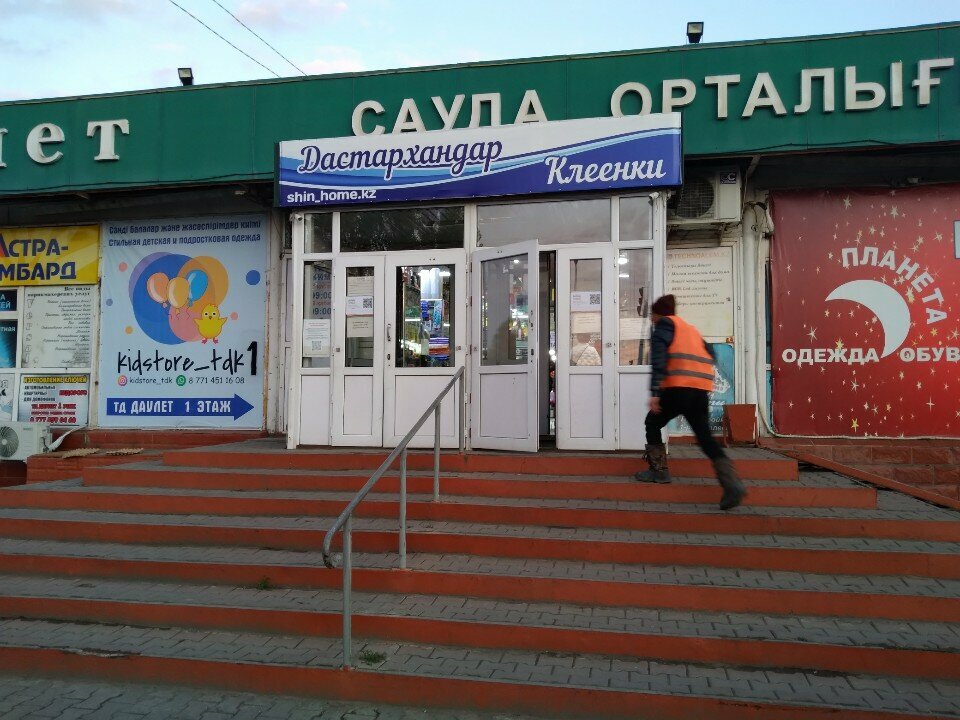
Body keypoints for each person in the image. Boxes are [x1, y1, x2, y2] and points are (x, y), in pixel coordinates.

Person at [634, 294, 747, 511]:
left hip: (678, 388)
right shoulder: (690, 329)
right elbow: (710, 353)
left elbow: (658, 359)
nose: (651, 319)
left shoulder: (663, 326)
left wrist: (655, 392)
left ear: (658, 313)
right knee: (705, 438)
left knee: (652, 422)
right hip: (700, 391)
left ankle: (659, 472)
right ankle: (732, 484)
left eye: (652, 314)